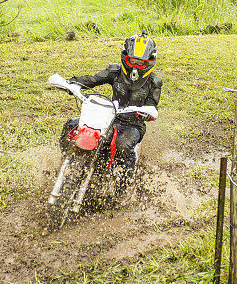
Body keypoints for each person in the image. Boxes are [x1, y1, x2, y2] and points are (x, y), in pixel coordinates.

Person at [59, 30, 162, 202]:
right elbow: (91, 80)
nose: (135, 65)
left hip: (133, 124)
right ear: (125, 57)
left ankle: (124, 186)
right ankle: (66, 160)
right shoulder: (115, 71)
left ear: (149, 61)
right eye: (132, 60)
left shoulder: (154, 81)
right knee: (72, 125)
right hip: (109, 118)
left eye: (140, 62)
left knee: (123, 145)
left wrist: (147, 111)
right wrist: (69, 83)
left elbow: (152, 104)